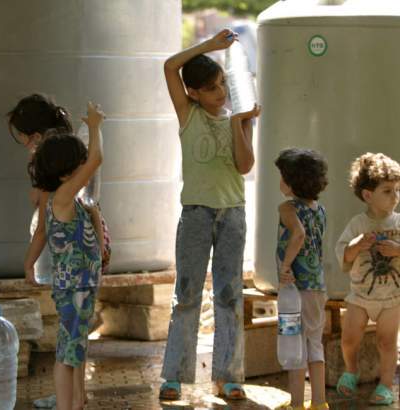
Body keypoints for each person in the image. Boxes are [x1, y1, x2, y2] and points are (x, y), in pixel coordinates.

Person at [159, 28, 261, 401]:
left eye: (222, 85)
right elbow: (170, 67)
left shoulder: (240, 114)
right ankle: (173, 376)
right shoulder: (188, 115)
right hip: (196, 215)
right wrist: (210, 46)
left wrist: (239, 121)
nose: (220, 94)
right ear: (193, 94)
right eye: (212, 89)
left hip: (232, 215)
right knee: (186, 295)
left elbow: (245, 165)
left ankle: (228, 376)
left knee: (230, 295)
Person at [7, 94, 110, 408]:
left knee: (75, 349)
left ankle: (77, 401)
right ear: (68, 173)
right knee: (67, 355)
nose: (85, 171)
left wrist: (27, 265)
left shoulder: (65, 198)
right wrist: (94, 126)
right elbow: (97, 159)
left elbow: (39, 235)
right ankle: (68, 404)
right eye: (80, 166)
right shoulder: (63, 195)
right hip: (74, 288)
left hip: (80, 286)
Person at [335, 152, 400, 406]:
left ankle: (386, 385)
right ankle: (351, 370)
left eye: (397, 189)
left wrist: (397, 250)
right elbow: (343, 253)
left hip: (392, 297)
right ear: (368, 195)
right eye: (387, 191)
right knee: (349, 337)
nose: (395, 196)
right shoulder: (357, 224)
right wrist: (357, 244)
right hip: (360, 295)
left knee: (387, 342)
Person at [275, 148, 329, 410]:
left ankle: (296, 404)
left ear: (291, 181)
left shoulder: (287, 208)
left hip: (294, 289)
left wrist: (285, 266)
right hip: (318, 287)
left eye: (282, 176)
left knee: (294, 344)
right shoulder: (320, 210)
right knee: (314, 343)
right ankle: (319, 402)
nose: (279, 181)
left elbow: (298, 235)